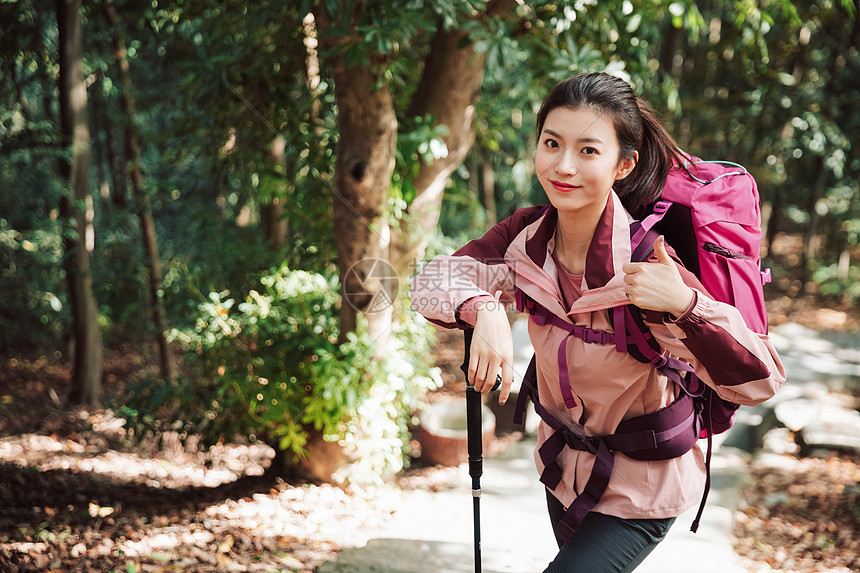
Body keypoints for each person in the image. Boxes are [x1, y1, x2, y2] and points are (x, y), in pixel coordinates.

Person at [410, 72, 785, 573]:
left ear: (622, 164)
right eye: (551, 143)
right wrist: (484, 309)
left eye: (588, 150)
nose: (563, 166)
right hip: (563, 472)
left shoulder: (650, 266)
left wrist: (686, 307)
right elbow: (430, 282)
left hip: (641, 489)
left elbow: (761, 380)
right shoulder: (525, 238)